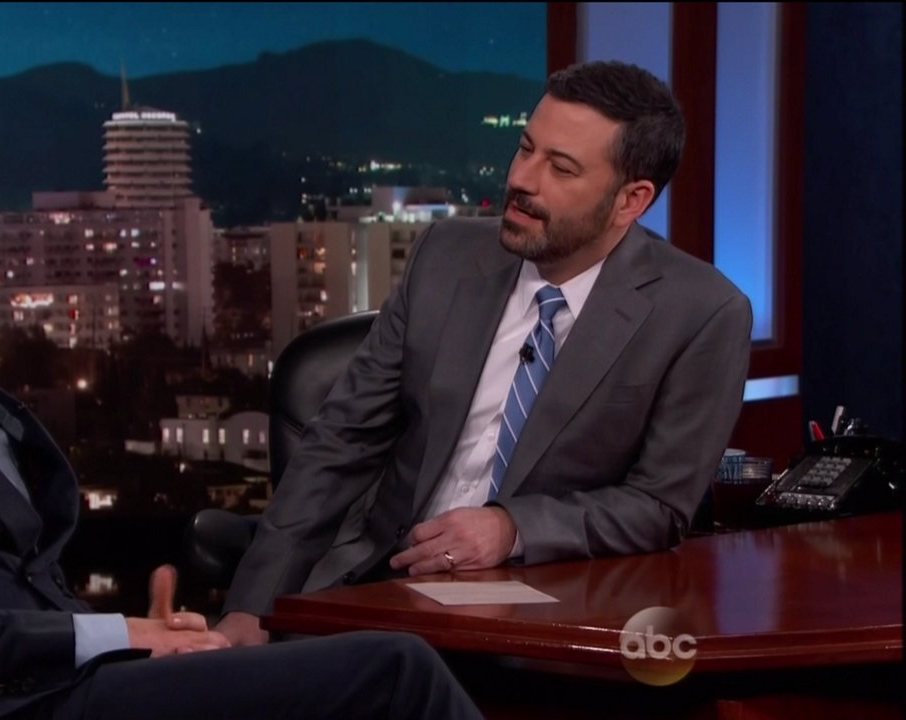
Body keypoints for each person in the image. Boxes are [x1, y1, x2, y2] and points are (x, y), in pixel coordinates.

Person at [0, 123, 484, 720]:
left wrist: (141, 642)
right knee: (394, 671)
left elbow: (17, 585)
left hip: (67, 688)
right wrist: (112, 637)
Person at [217, 60, 753, 647]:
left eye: (561, 168)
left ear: (631, 200)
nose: (522, 179)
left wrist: (510, 528)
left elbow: (657, 505)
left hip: (542, 610)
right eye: (525, 148)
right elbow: (340, 442)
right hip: (376, 584)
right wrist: (251, 609)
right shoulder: (444, 257)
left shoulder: (701, 314)